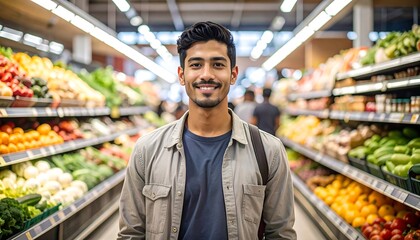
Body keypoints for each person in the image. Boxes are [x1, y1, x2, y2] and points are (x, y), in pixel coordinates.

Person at [118, 21, 296, 240]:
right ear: (182, 75)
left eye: (218, 65)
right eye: (195, 65)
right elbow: (131, 234)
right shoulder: (148, 150)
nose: (206, 74)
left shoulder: (269, 151)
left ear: (233, 74)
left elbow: (281, 234)